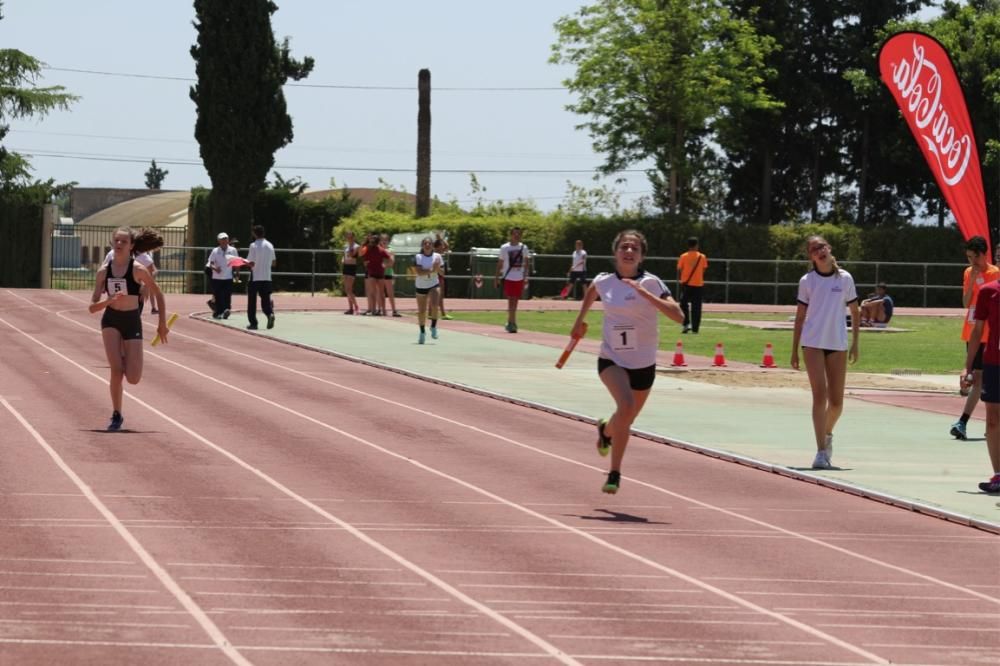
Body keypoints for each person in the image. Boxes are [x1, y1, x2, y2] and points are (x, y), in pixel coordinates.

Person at [570, 230, 684, 494]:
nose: (629, 251)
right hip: (611, 358)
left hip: (643, 363)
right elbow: (591, 292)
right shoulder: (604, 281)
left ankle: (606, 432)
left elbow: (678, 316)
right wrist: (579, 321)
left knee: (625, 417)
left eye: (634, 248)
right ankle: (615, 472)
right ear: (616, 252)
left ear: (641, 255)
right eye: (624, 247)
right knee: (626, 405)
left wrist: (646, 296)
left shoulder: (652, 283)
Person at [89, 227, 169, 431]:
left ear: (132, 246)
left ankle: (125, 357)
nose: (119, 244)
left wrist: (162, 324)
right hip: (111, 321)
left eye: (123, 241)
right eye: (116, 240)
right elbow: (92, 307)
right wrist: (108, 301)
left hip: (132, 320)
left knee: (133, 378)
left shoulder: (138, 270)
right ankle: (116, 414)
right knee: (116, 371)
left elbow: (158, 294)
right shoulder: (103, 272)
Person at [790, 235, 860, 470]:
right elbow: (800, 317)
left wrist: (856, 342)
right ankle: (821, 452)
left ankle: (827, 433)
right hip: (812, 343)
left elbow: (855, 310)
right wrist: (794, 350)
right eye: (813, 249)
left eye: (822, 246)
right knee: (820, 396)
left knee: (837, 403)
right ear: (811, 257)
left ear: (829, 249)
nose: (819, 251)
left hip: (837, 343)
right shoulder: (807, 281)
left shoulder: (845, 278)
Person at [952, 236, 999, 440]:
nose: (972, 261)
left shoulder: (995, 273)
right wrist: (971, 281)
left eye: (974, 257)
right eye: (969, 257)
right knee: (977, 379)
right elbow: (965, 302)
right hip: (972, 333)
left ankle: (964, 421)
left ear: (984, 255)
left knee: (982, 380)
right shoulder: (968, 272)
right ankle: (963, 422)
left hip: (990, 335)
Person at [960, 278, 1000, 494]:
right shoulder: (988, 292)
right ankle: (998, 474)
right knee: (993, 419)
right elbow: (977, 332)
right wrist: (967, 366)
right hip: (994, 362)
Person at [495, 227, 530, 333]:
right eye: (515, 234)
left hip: (519, 277)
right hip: (508, 276)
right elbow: (500, 263)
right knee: (510, 300)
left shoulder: (524, 247)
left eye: (519, 234)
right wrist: (496, 277)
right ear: (511, 235)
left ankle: (511, 322)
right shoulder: (504, 247)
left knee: (516, 300)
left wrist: (525, 277)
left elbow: (526, 262)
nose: (517, 236)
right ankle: (512, 322)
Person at [245, 224, 276, 330]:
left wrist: (244, 263)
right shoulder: (270, 245)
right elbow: (274, 262)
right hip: (267, 277)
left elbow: (251, 263)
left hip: (255, 277)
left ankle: (253, 323)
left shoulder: (253, 245)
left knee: (252, 301)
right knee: (266, 299)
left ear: (254, 233)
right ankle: (269, 314)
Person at [413, 236, 442, 344]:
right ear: (422, 245)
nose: (427, 245)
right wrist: (431, 270)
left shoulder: (438, 256)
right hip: (421, 285)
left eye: (429, 243)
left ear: (432, 245)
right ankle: (422, 332)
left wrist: (438, 268)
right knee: (422, 311)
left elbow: (443, 273)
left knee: (435, 305)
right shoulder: (418, 257)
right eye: (425, 243)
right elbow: (419, 272)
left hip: (434, 284)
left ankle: (433, 327)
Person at [676, 236, 708, 334]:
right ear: (697, 245)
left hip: (686, 284)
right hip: (698, 284)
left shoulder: (683, 256)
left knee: (683, 304)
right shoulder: (702, 257)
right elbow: (704, 268)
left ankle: (686, 324)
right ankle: (695, 328)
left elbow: (679, 269)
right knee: (696, 307)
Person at [208, 232, 238, 319]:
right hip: (217, 278)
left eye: (225, 239)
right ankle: (219, 312)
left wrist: (237, 274)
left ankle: (226, 310)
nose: (224, 241)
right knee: (218, 295)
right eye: (222, 239)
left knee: (227, 295)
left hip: (228, 277)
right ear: (219, 241)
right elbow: (211, 263)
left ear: (228, 240)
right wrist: (215, 268)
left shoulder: (233, 250)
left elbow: (236, 262)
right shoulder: (215, 251)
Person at [361, 231, 388, 315]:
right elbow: (364, 259)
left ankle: (383, 310)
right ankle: (373, 310)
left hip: (380, 272)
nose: (372, 242)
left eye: (373, 241)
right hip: (372, 272)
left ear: (377, 242)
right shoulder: (368, 249)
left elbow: (389, 258)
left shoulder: (381, 250)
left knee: (381, 292)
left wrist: (385, 265)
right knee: (373, 292)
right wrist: (366, 264)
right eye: (371, 241)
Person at [433, 233, 453, 320]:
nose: (443, 247)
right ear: (437, 247)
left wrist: (441, 239)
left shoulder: (440, 253)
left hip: (440, 274)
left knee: (440, 295)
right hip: (436, 275)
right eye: (441, 246)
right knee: (436, 295)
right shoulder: (434, 253)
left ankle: (442, 313)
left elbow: (447, 246)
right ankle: (437, 313)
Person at [381, 233, 401, 317]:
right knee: (380, 293)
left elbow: (391, 262)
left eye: (386, 240)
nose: (384, 241)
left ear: (388, 241)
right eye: (382, 240)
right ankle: (383, 310)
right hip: (379, 274)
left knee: (390, 293)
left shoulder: (391, 250)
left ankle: (394, 310)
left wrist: (384, 265)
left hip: (388, 273)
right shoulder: (378, 249)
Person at [341, 230, 360, 315]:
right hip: (345, 267)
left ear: (353, 237)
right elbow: (344, 256)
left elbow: (353, 255)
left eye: (350, 237)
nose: (349, 238)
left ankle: (356, 306)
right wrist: (343, 260)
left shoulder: (356, 246)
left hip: (352, 267)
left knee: (349, 289)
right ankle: (350, 308)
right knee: (346, 289)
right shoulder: (345, 246)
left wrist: (350, 250)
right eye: (347, 237)